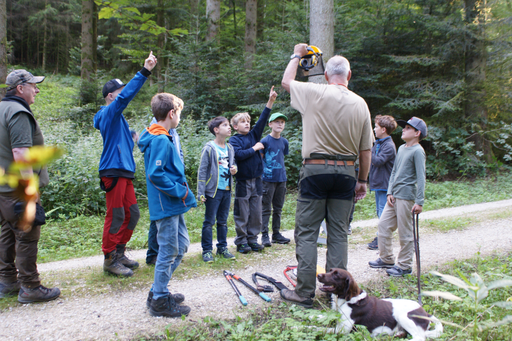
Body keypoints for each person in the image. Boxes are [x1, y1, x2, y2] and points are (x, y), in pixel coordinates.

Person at [280, 44, 374, 307]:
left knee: (308, 232)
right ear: (349, 75)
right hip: (346, 173)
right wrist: (363, 180)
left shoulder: (314, 91)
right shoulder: (361, 103)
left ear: (325, 75)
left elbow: (287, 81)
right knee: (339, 233)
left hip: (315, 171)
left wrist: (298, 55)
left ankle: (304, 292)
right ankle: (337, 293)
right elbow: (366, 150)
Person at [94, 51, 157, 277]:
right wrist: (144, 71)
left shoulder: (118, 119)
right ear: (111, 96)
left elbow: (118, 140)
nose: (123, 96)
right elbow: (124, 98)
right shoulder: (108, 112)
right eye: (120, 92)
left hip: (125, 172)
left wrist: (131, 138)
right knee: (116, 214)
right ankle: (109, 258)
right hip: (113, 171)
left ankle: (119, 252)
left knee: (132, 214)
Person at [0, 69, 60, 303]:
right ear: (20, 88)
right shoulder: (18, 112)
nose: (36, 89)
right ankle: (30, 286)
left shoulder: (2, 108)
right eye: (33, 85)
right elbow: (20, 152)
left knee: (7, 232)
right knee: (27, 233)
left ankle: (6, 281)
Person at [138, 92, 197, 317]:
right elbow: (156, 174)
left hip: (174, 204)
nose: (179, 117)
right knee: (168, 250)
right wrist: (180, 190)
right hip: (167, 204)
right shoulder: (161, 139)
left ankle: (157, 290)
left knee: (181, 245)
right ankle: (160, 300)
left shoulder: (164, 135)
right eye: (179, 113)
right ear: (172, 113)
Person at [369, 117, 427, 277]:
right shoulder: (401, 148)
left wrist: (419, 201)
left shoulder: (418, 151)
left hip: (407, 197)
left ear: (417, 133)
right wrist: (389, 191)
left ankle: (405, 265)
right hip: (394, 196)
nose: (403, 130)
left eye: (408, 128)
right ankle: (386, 258)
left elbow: (421, 177)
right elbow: (394, 172)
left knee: (405, 232)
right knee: (383, 225)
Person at [229, 87, 278, 254]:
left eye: (248, 121)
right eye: (243, 122)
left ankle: (252, 239)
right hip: (243, 181)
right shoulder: (234, 140)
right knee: (242, 213)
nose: (247, 123)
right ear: (235, 126)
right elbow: (239, 155)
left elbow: (263, 119)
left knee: (256, 212)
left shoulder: (254, 135)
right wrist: (255, 148)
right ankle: (241, 241)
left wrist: (270, 101)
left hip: (257, 180)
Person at [197, 117, 238, 262]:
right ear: (216, 130)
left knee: (223, 221)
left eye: (228, 125)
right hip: (212, 192)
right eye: (225, 125)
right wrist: (200, 193)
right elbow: (202, 171)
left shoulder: (230, 148)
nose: (229, 127)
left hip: (227, 190)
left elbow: (233, 165)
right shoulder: (209, 148)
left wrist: (234, 169)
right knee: (209, 222)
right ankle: (207, 250)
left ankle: (222, 248)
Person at [146, 121, 184, 266]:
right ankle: (154, 255)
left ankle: (170, 252)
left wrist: (180, 173)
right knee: (160, 217)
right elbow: (156, 169)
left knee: (171, 217)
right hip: (165, 180)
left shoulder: (173, 132)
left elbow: (178, 153)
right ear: (170, 113)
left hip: (176, 178)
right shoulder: (157, 132)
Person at [260, 112, 291, 247]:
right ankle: (264, 235)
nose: (280, 124)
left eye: (282, 122)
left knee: (278, 208)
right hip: (267, 180)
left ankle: (276, 234)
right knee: (266, 208)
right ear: (270, 124)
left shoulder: (284, 142)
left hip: (281, 179)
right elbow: (260, 160)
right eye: (277, 121)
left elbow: (282, 157)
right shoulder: (265, 141)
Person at [367, 115, 397, 250]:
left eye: (376, 127)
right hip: (378, 184)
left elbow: (378, 161)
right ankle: (381, 236)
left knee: (383, 213)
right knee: (380, 211)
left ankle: (382, 238)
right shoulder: (379, 144)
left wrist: (368, 151)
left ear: (384, 129)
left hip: (385, 185)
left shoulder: (389, 146)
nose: (374, 129)